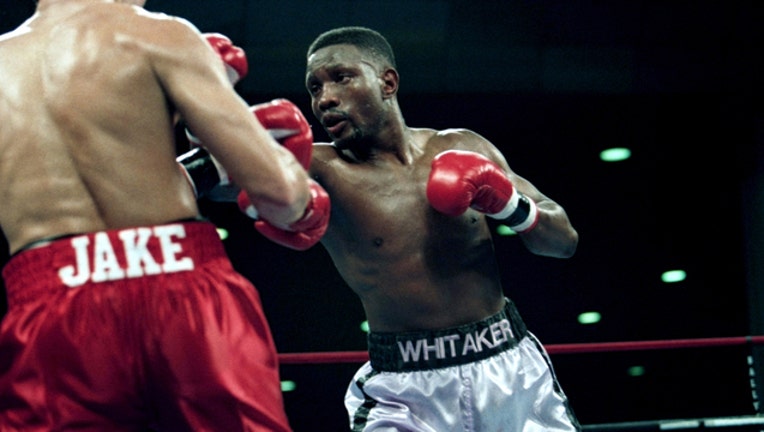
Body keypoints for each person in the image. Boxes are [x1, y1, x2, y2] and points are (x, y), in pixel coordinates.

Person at [0, 1, 329, 431]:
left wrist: (201, 170)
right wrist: (292, 183)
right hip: (180, 284)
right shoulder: (158, 34)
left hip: (50, 298)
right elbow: (280, 194)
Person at [299, 26, 581, 431]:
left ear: (387, 82)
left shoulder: (463, 147)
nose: (324, 98)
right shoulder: (318, 167)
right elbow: (221, 174)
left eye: (341, 78)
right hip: (404, 392)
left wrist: (509, 204)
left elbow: (563, 242)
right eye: (314, 87)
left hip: (511, 371)